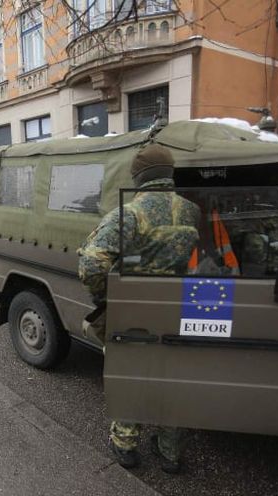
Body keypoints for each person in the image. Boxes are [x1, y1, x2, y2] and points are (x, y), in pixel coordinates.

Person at [78, 143, 201, 474]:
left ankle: (126, 448)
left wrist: (108, 298)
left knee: (131, 376)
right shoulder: (192, 210)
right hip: (178, 310)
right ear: (169, 174)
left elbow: (92, 263)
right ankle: (170, 453)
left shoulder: (129, 214)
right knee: (171, 381)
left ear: (139, 176)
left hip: (136, 311)